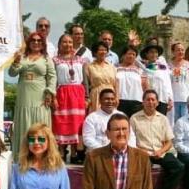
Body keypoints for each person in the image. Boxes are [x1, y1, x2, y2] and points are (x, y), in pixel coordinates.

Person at [131, 90, 185, 189]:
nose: (150, 102)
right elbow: (131, 142)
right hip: (142, 153)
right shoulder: (134, 119)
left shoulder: (163, 119)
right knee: (141, 170)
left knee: (178, 167)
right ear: (143, 102)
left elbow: (169, 142)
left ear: (157, 103)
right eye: (148, 99)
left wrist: (161, 151)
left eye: (153, 100)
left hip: (160, 152)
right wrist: (142, 151)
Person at [8, 32, 56, 151]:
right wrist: (15, 61)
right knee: (23, 126)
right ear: (28, 43)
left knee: (40, 125)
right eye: (33, 40)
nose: (36, 42)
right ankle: (22, 155)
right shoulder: (22, 57)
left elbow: (52, 77)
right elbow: (12, 73)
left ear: (43, 43)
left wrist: (49, 92)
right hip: (24, 96)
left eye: (39, 40)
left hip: (40, 96)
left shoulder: (46, 59)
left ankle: (43, 154)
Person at [51, 33, 86, 162]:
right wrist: (53, 96)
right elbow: (53, 79)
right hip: (62, 93)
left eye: (70, 42)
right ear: (59, 45)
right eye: (64, 42)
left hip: (78, 94)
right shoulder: (55, 60)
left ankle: (74, 152)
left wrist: (87, 97)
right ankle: (60, 152)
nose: (68, 44)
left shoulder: (80, 60)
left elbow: (85, 80)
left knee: (77, 124)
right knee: (61, 123)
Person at [169, 41, 189, 125]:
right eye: (178, 50)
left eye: (182, 50)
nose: (181, 52)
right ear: (173, 52)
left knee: (186, 124)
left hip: (186, 100)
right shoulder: (168, 66)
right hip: (172, 100)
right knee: (174, 124)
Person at [141, 42, 173, 116]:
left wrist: (170, 98)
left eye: (156, 52)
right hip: (149, 100)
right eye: (151, 52)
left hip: (162, 99)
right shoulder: (143, 69)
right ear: (146, 54)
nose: (154, 54)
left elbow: (167, 84)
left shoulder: (163, 68)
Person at [84, 41, 118, 112]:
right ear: (95, 52)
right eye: (101, 50)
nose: (103, 52)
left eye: (105, 50)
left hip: (110, 95)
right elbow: (85, 84)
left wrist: (117, 97)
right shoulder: (89, 66)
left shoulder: (112, 67)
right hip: (96, 96)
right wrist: (87, 98)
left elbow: (116, 83)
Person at [116, 46, 148, 118]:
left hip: (137, 101)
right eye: (129, 54)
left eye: (134, 54)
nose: (131, 56)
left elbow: (145, 87)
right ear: (123, 55)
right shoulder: (115, 69)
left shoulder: (140, 71)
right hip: (120, 101)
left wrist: (145, 101)